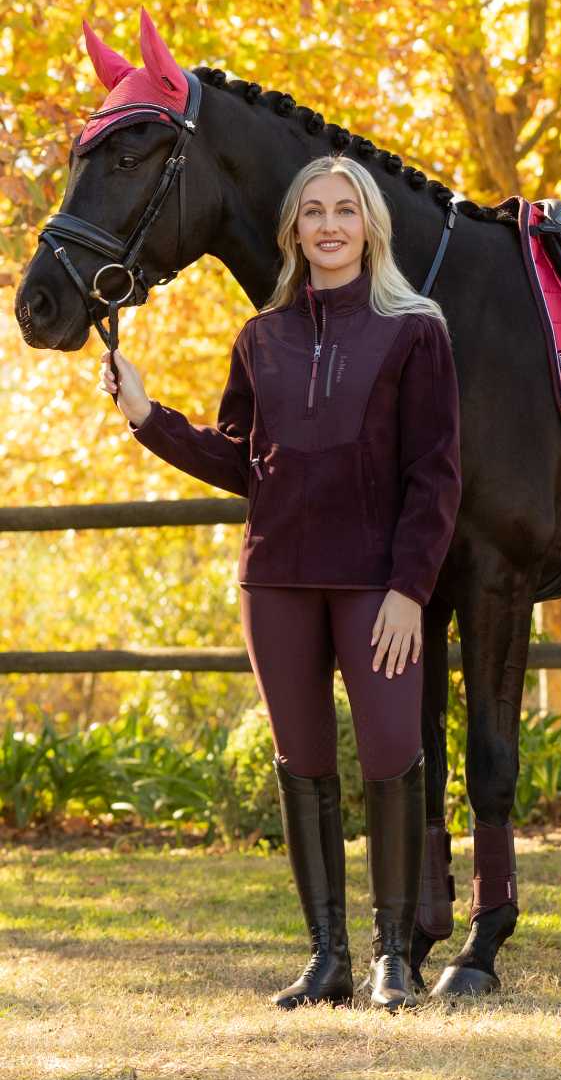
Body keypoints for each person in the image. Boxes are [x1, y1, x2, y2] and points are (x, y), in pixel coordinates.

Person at [99, 155, 462, 1013]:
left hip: (378, 588)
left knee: (390, 758)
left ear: (370, 225)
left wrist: (411, 589)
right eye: (313, 212)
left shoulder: (418, 331)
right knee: (302, 766)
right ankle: (327, 959)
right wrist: (148, 418)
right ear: (294, 229)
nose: (329, 225)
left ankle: (392, 961)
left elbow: (436, 476)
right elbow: (241, 462)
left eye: (345, 210)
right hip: (278, 583)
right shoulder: (260, 338)